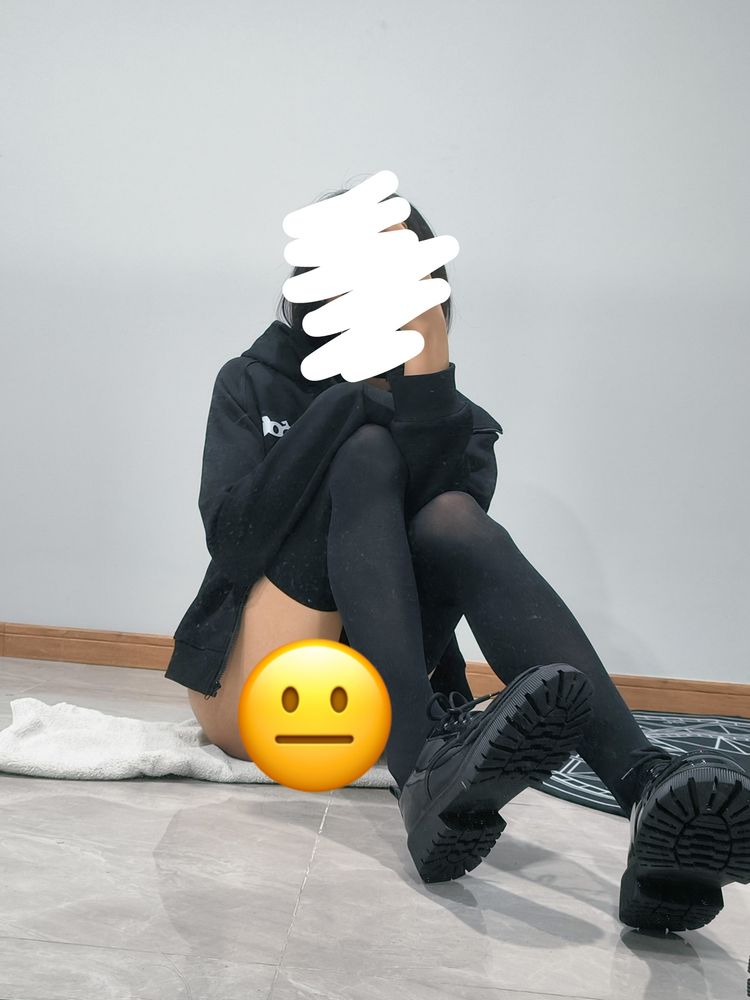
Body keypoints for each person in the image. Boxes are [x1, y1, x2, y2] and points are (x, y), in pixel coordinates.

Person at [164, 187, 750, 933]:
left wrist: (422, 378)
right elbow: (233, 541)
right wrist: (345, 405)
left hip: (377, 698)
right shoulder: (250, 382)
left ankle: (644, 789)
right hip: (262, 692)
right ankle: (421, 760)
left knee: (449, 517)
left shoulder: (457, 420)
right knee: (365, 449)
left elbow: (441, 564)